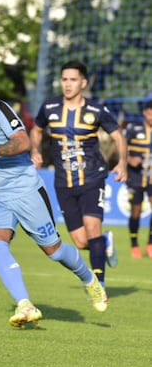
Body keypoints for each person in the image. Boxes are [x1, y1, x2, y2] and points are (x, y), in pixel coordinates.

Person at [0, 61, 106, 327]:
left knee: (54, 251)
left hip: (24, 189)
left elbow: (24, 142)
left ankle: (89, 279)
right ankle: (25, 305)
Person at [30, 60, 127, 289]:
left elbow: (119, 137)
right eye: (64, 79)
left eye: (73, 80)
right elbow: (36, 130)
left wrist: (122, 163)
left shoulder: (96, 110)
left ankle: (99, 285)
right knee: (82, 241)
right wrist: (35, 150)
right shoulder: (49, 107)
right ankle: (104, 242)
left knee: (92, 227)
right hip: (63, 183)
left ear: (83, 83)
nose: (68, 84)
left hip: (93, 177)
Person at [124, 100, 152, 259]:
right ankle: (134, 244)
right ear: (145, 113)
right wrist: (129, 158)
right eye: (149, 113)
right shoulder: (133, 129)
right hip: (135, 177)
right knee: (136, 212)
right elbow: (119, 147)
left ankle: (150, 244)